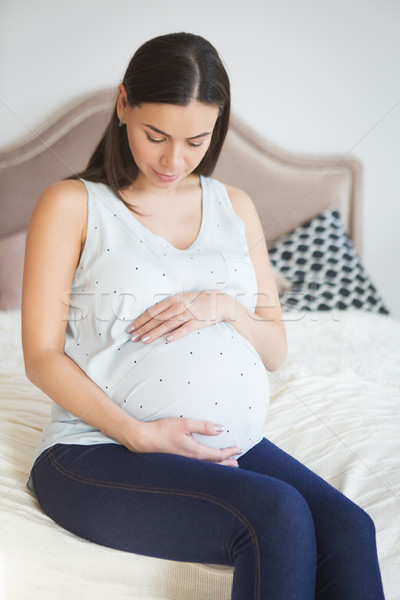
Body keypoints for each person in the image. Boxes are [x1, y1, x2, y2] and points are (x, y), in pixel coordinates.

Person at [22, 32, 385, 600]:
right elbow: (41, 357)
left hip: (225, 445)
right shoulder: (72, 205)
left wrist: (223, 306)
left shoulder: (234, 205)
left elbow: (275, 349)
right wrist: (139, 435)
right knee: (277, 514)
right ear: (123, 105)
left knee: (350, 528)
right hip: (96, 449)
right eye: (156, 135)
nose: (174, 159)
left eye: (196, 140)